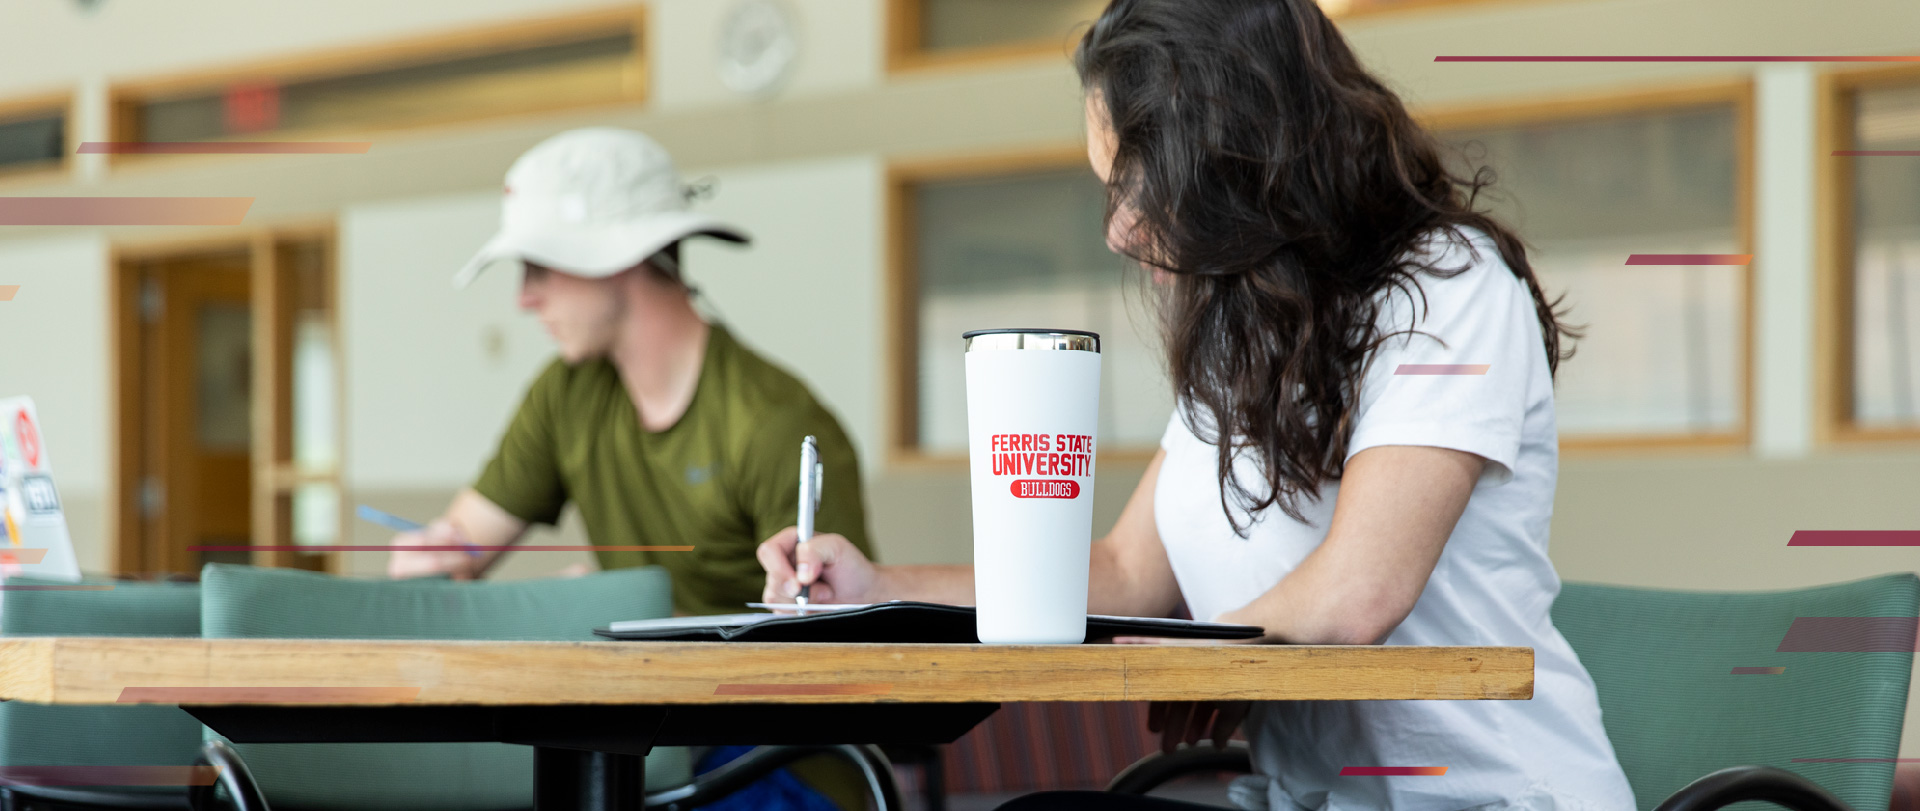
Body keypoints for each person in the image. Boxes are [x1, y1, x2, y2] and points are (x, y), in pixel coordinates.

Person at [756, 1, 1636, 809]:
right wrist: (875, 593)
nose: (1118, 229)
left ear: (1233, 153)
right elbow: (1121, 575)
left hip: (1485, 795)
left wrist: (1209, 646)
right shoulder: (1247, 332)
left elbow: (1360, 592)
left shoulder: (1450, 284)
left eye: (1134, 182)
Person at [387, 127, 874, 810]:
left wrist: (615, 613)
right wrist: (435, 553)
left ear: (615, 257)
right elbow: (462, 540)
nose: (525, 298)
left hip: (771, 757)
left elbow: (842, 652)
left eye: (540, 267)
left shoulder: (776, 422)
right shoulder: (566, 393)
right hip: (631, 739)